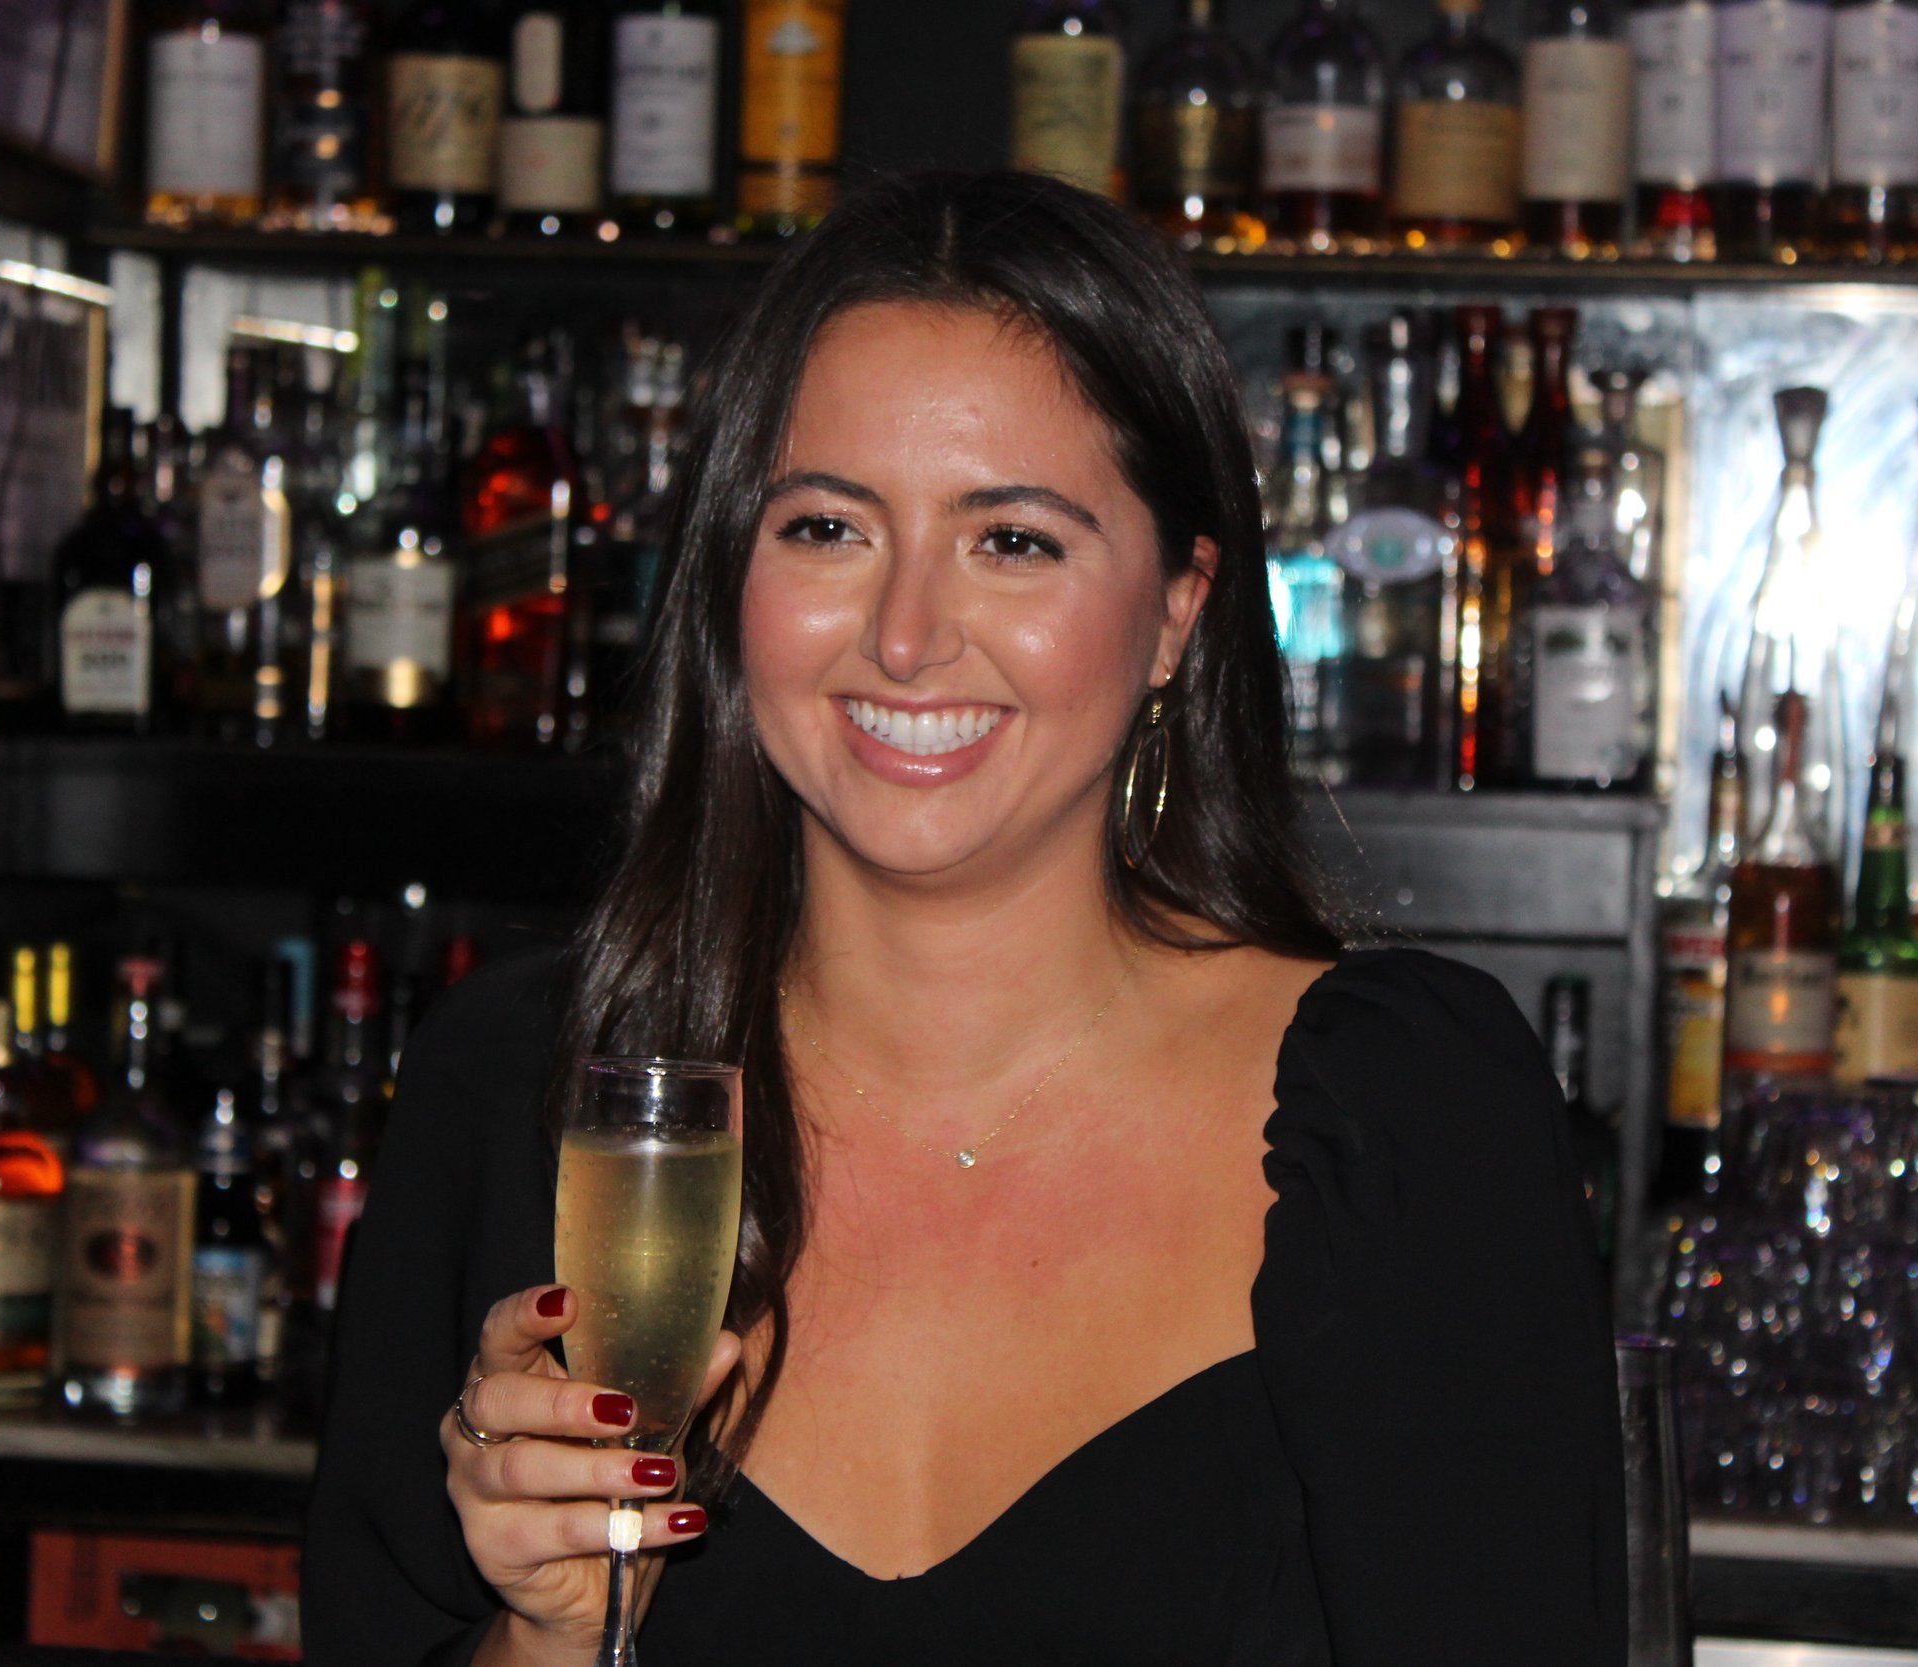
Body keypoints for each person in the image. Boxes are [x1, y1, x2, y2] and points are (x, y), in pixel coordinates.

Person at [304, 170, 1625, 1666]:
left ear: (1180, 612)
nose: (908, 636)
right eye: (825, 528)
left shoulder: (1402, 1120)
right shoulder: (530, 1098)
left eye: (1014, 541)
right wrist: (548, 1635)